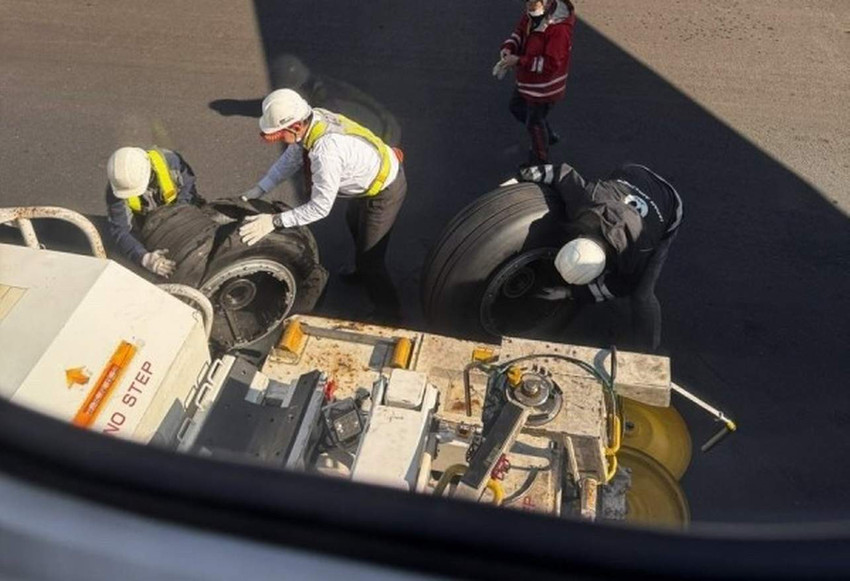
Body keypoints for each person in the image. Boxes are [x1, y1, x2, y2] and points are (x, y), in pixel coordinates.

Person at [236, 89, 406, 322]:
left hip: (385, 189)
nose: (277, 139)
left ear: (295, 127)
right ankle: (361, 271)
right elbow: (292, 158)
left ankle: (390, 314)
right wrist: (261, 188)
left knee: (371, 260)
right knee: (354, 223)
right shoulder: (312, 121)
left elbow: (320, 208)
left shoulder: (326, 153)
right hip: (369, 179)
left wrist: (274, 221)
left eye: (278, 134)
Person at [518, 161, 683, 352]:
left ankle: (649, 351)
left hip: (668, 204)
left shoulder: (637, 253)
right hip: (632, 174)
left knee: (642, 295)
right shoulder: (588, 199)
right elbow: (558, 172)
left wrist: (570, 293)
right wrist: (521, 178)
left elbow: (621, 287)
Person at [495, 0, 576, 166]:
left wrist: (519, 60)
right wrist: (509, 47)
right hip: (528, 83)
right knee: (517, 107)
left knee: (534, 124)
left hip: (544, 89)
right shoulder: (532, 14)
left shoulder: (559, 30)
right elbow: (519, 32)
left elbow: (551, 64)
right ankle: (546, 135)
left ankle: (540, 162)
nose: (530, 7)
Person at [105, 146, 202, 278]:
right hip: (149, 226)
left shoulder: (172, 162)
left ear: (149, 170)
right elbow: (122, 230)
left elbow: (189, 191)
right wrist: (144, 258)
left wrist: (180, 221)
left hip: (184, 211)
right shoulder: (118, 190)